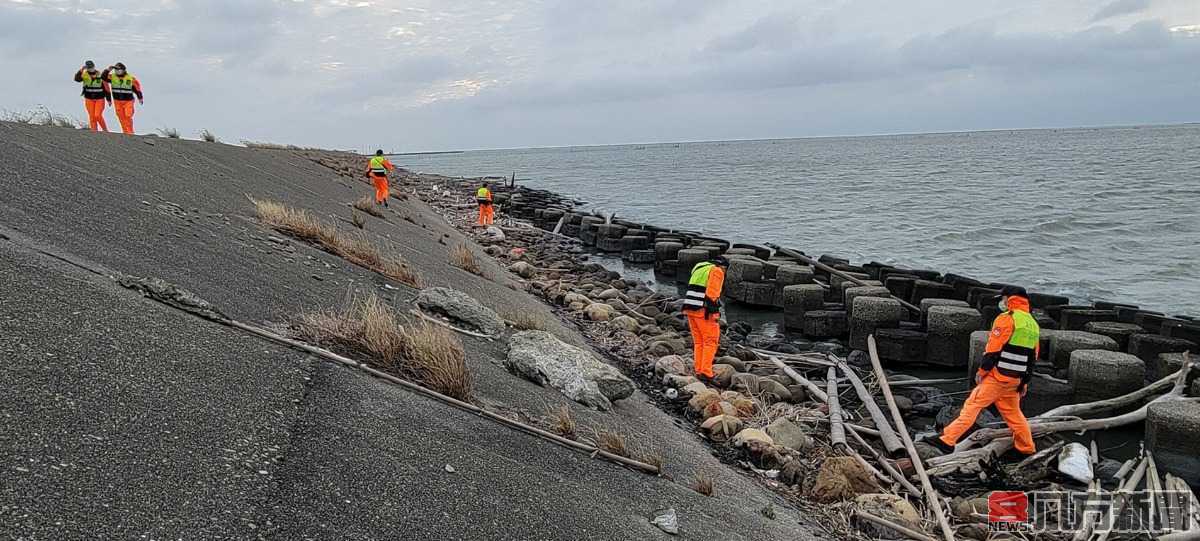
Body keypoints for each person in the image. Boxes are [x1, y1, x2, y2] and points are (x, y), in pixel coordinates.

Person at [933, 285, 1040, 456]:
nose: (1002, 303)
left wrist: (982, 372)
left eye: (1003, 299)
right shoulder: (1032, 323)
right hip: (1016, 379)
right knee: (1015, 416)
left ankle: (947, 440)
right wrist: (1024, 382)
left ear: (1009, 299)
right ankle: (1027, 448)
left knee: (972, 405)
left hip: (998, 376)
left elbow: (993, 349)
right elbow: (1033, 356)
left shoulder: (1007, 318)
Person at [682, 256, 729, 379]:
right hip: (703, 311)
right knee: (711, 341)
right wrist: (715, 314)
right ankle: (707, 372)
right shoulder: (717, 271)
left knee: (699, 341)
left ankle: (699, 369)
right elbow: (712, 295)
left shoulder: (700, 268)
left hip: (690, 308)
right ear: (723, 266)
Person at [101, 62, 143, 134]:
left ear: (123, 70)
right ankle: (125, 132)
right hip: (117, 101)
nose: (117, 71)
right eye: (116, 69)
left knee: (128, 115)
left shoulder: (130, 78)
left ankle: (130, 132)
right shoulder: (112, 77)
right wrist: (108, 70)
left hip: (128, 100)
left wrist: (140, 98)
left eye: (118, 69)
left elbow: (137, 89)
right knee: (121, 117)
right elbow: (103, 77)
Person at [73, 61, 110, 132]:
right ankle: (94, 131)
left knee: (97, 115)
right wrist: (81, 70)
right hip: (89, 98)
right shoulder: (84, 75)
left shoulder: (100, 75)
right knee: (92, 116)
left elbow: (106, 88)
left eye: (91, 67)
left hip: (100, 98)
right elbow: (77, 79)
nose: (90, 69)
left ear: (94, 66)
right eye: (88, 67)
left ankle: (105, 130)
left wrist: (109, 99)